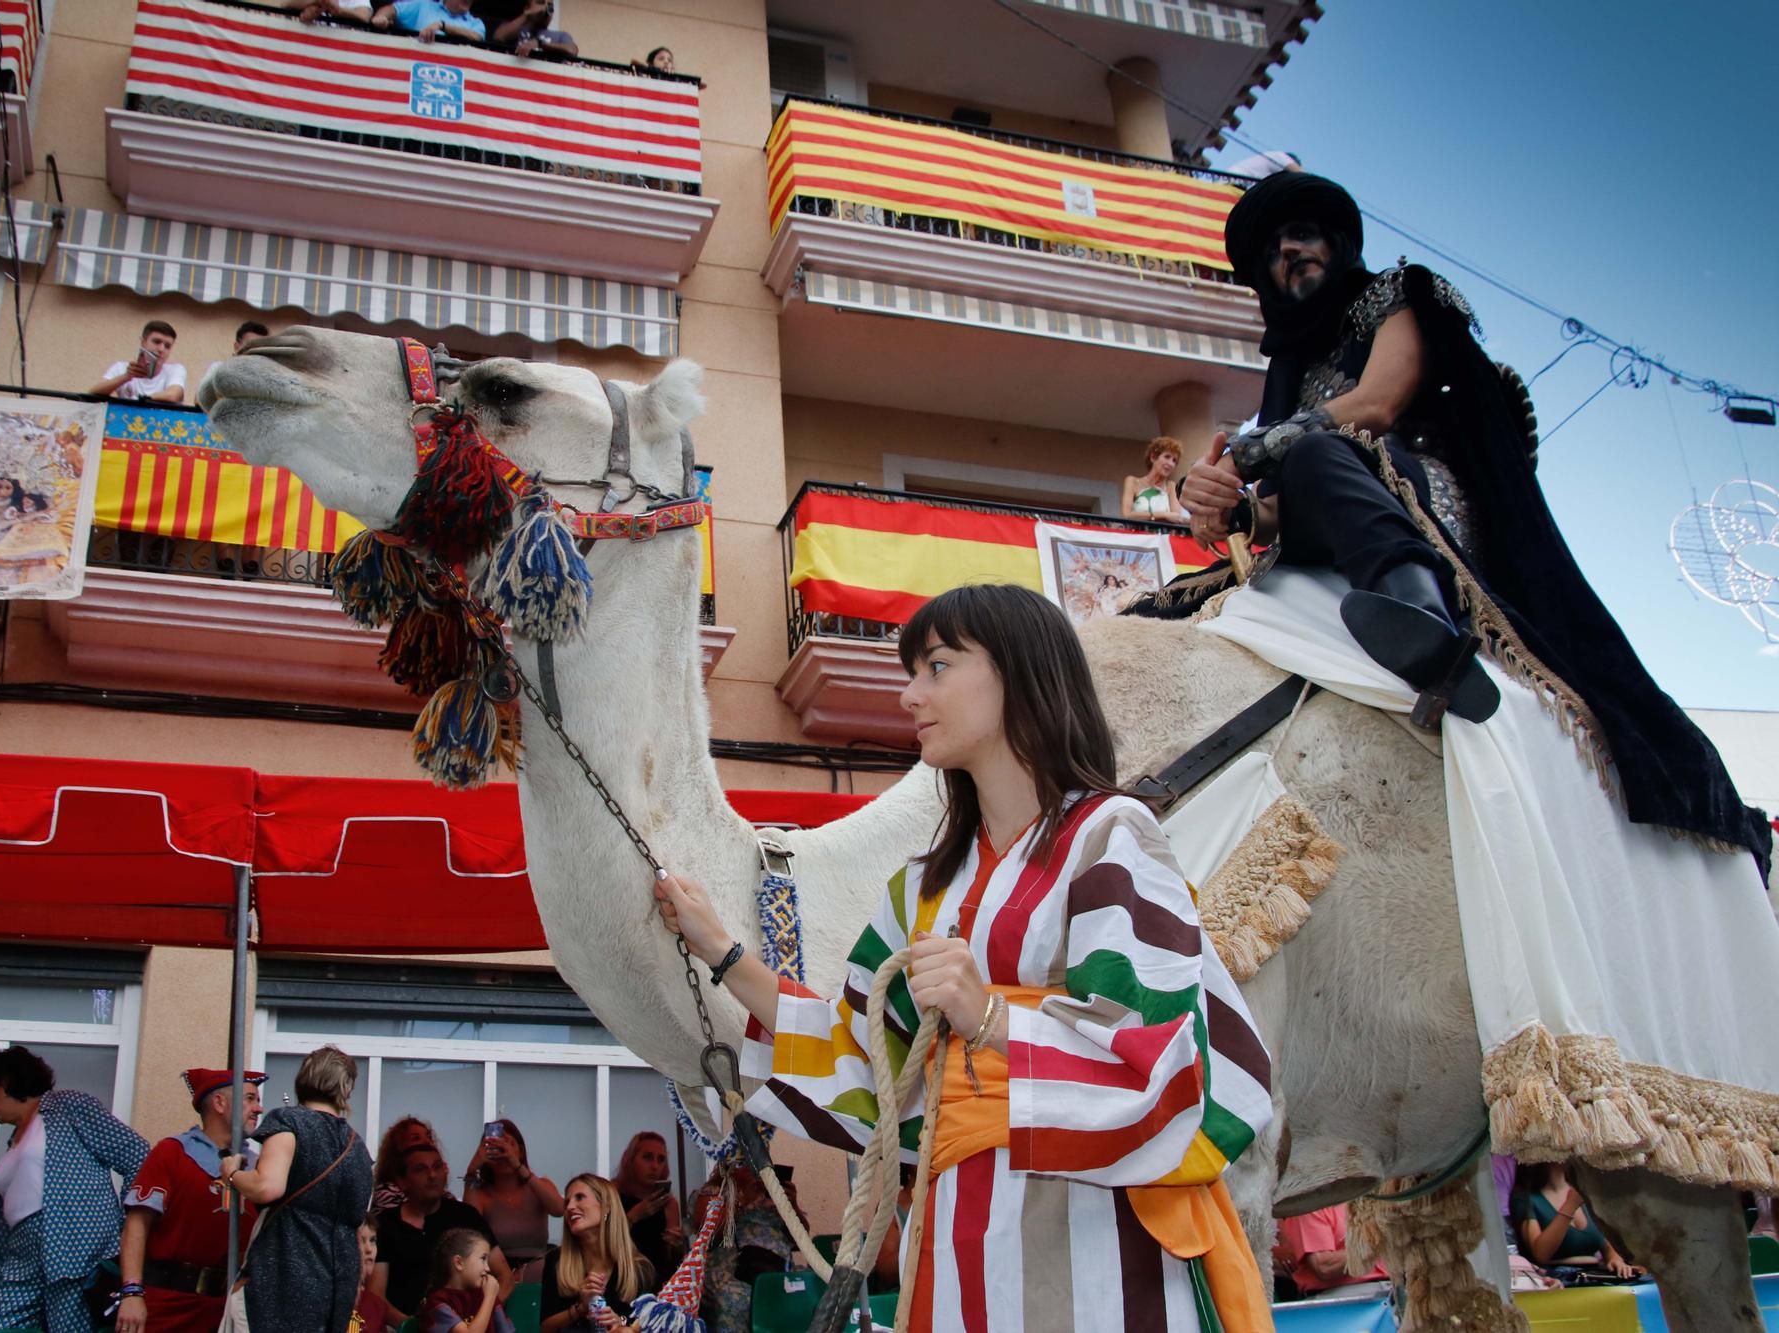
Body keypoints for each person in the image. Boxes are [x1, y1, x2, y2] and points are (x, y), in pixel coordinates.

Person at [653, 582, 1276, 1332]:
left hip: (1100, 1248)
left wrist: (986, 1017)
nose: (911, 694)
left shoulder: (1114, 837)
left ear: (1020, 674)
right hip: (954, 1244)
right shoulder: (921, 885)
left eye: (937, 666)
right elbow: (867, 1060)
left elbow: (1167, 1062)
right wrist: (719, 950)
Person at [1182, 172, 1772, 878]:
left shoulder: (1397, 294)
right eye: (1273, 250)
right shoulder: (1288, 375)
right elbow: (1283, 502)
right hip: (1328, 512)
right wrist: (1228, 502)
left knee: (1314, 449)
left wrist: (1262, 445)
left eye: (1301, 234)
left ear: (1336, 241)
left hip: (1415, 492)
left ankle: (1418, 608)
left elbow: (1378, 403)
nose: (1289, 252)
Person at [0, 1046, 150, 1333]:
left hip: (75, 1256)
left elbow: (137, 1155)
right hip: (18, 1264)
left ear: (6, 1084)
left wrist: (127, 1224)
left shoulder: (68, 1107)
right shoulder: (13, 1142)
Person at [218, 1045, 375, 1333]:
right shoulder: (358, 1148)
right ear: (346, 1089)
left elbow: (267, 1186)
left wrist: (233, 1175)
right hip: (335, 1291)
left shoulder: (289, 1121)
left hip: (281, 1279)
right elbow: (358, 1219)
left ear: (302, 1080)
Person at [114, 1068, 267, 1333]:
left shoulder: (260, 1169)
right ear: (219, 1103)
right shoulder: (172, 1153)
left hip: (229, 1310)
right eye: (250, 1099)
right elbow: (136, 1225)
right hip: (169, 1307)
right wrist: (131, 1293)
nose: (259, 1109)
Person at [370, 1144, 511, 1322]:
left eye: (437, 1167)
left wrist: (481, 1317)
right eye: (421, 1169)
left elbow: (505, 1277)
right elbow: (376, 1295)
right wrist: (412, 1327)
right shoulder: (386, 1224)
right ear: (402, 1181)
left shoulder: (466, 1217)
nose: (432, 1175)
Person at [685, 1165, 791, 1333]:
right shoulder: (715, 1192)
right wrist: (741, 1199)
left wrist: (792, 1205)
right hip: (735, 1271)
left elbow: (799, 1238)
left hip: (775, 1269)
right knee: (737, 1299)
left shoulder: (770, 1190)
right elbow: (710, 1231)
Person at [539, 1174, 650, 1333]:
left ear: (606, 1206)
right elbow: (545, 1328)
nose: (570, 1207)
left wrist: (621, 1323)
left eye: (579, 1197)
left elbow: (648, 1323)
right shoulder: (556, 1260)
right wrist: (581, 1308)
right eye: (567, 1202)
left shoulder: (637, 1268)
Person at [462, 1120, 561, 1285]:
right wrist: (472, 1171)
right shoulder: (482, 1193)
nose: (503, 1152)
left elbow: (559, 1209)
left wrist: (518, 1165)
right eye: (495, 1146)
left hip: (537, 1272)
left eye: (508, 1144)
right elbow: (468, 1228)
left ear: (521, 1151)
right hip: (496, 1275)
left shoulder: (539, 1185)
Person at [1511, 1162, 1639, 1277]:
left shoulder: (1585, 1190)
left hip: (1596, 1275)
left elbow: (1606, 1243)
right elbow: (1541, 1254)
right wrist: (1570, 1205)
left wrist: (1615, 1259)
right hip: (1555, 1278)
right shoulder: (1526, 1197)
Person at [610, 1133, 683, 1284]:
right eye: (647, 1157)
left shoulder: (668, 1203)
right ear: (631, 1160)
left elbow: (671, 1262)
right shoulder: (611, 1193)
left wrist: (674, 1244)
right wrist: (632, 1217)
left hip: (657, 1279)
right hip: (618, 1275)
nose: (655, 1166)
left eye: (661, 1160)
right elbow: (601, 1241)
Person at [1271, 1205, 1385, 1300]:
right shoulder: (1311, 1207)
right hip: (1344, 1297)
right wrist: (1375, 1246)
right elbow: (1324, 1267)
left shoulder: (1370, 1199)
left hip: (1390, 1289)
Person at [421, 1228, 513, 1333]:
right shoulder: (438, 1302)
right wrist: (490, 1297)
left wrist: (490, 1297)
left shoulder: (484, 1293)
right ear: (459, 1263)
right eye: (483, 1259)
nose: (488, 1268)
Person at [91, 320, 187, 403]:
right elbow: (94, 392)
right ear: (143, 342)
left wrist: (142, 400)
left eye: (167, 346)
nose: (161, 349)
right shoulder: (120, 367)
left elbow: (173, 395)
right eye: (157, 342)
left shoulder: (175, 369)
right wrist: (127, 376)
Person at [1121, 436, 1187, 520]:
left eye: (1174, 460)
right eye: (1167, 457)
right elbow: (1127, 514)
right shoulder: (1133, 482)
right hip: (1138, 532)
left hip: (1164, 533)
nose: (1171, 463)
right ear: (1153, 457)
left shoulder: (1171, 486)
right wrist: (1164, 515)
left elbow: (1177, 517)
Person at [353, 1218, 395, 1333]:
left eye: (372, 1240)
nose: (369, 1249)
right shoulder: (324, 1298)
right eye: (360, 1241)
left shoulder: (376, 1305)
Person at [372, 0, 483, 43]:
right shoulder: (423, 5)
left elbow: (477, 38)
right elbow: (392, 9)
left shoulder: (476, 23)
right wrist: (381, 17)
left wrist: (442, 26)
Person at [493, 0, 576, 57]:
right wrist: (527, 14)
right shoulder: (515, 29)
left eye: (550, 5)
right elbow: (498, 37)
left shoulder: (560, 35)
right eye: (540, 2)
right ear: (527, 8)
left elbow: (572, 50)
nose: (546, 7)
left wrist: (540, 44)